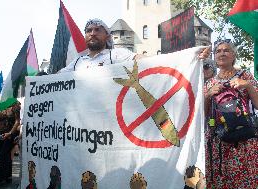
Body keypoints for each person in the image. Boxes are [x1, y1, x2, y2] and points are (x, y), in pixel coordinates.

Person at [59, 18, 211, 73]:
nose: (92, 33)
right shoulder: (78, 62)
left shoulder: (116, 55)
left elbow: (149, 60)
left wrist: (189, 57)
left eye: (97, 30)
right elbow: (55, 78)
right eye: (88, 30)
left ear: (107, 36)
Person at [204, 41, 258, 188]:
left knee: (244, 181)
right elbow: (204, 114)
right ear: (215, 57)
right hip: (218, 140)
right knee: (222, 182)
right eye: (218, 51)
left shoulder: (245, 75)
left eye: (226, 50)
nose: (222, 53)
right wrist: (208, 94)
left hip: (243, 138)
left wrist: (247, 85)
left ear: (234, 55)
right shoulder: (210, 83)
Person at [0, 98, 20, 188]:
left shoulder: (15, 106)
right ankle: (8, 176)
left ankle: (1, 179)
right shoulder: (1, 106)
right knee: (6, 155)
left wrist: (10, 133)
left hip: (11, 134)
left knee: (3, 155)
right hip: (1, 134)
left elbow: (17, 122)